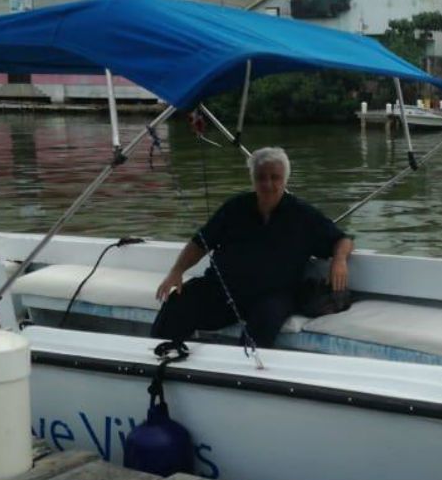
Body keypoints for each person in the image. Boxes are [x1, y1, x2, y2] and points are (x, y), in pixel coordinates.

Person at [152, 147, 354, 349]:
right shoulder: (234, 208)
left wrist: (339, 260)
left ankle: (242, 375)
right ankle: (158, 360)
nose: (268, 184)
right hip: (224, 289)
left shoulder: (303, 215)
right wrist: (176, 271)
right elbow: (200, 242)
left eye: (275, 177)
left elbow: (342, 239)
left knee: (265, 321)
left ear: (285, 180)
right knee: (179, 301)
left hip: (273, 295)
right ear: (253, 180)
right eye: (261, 177)